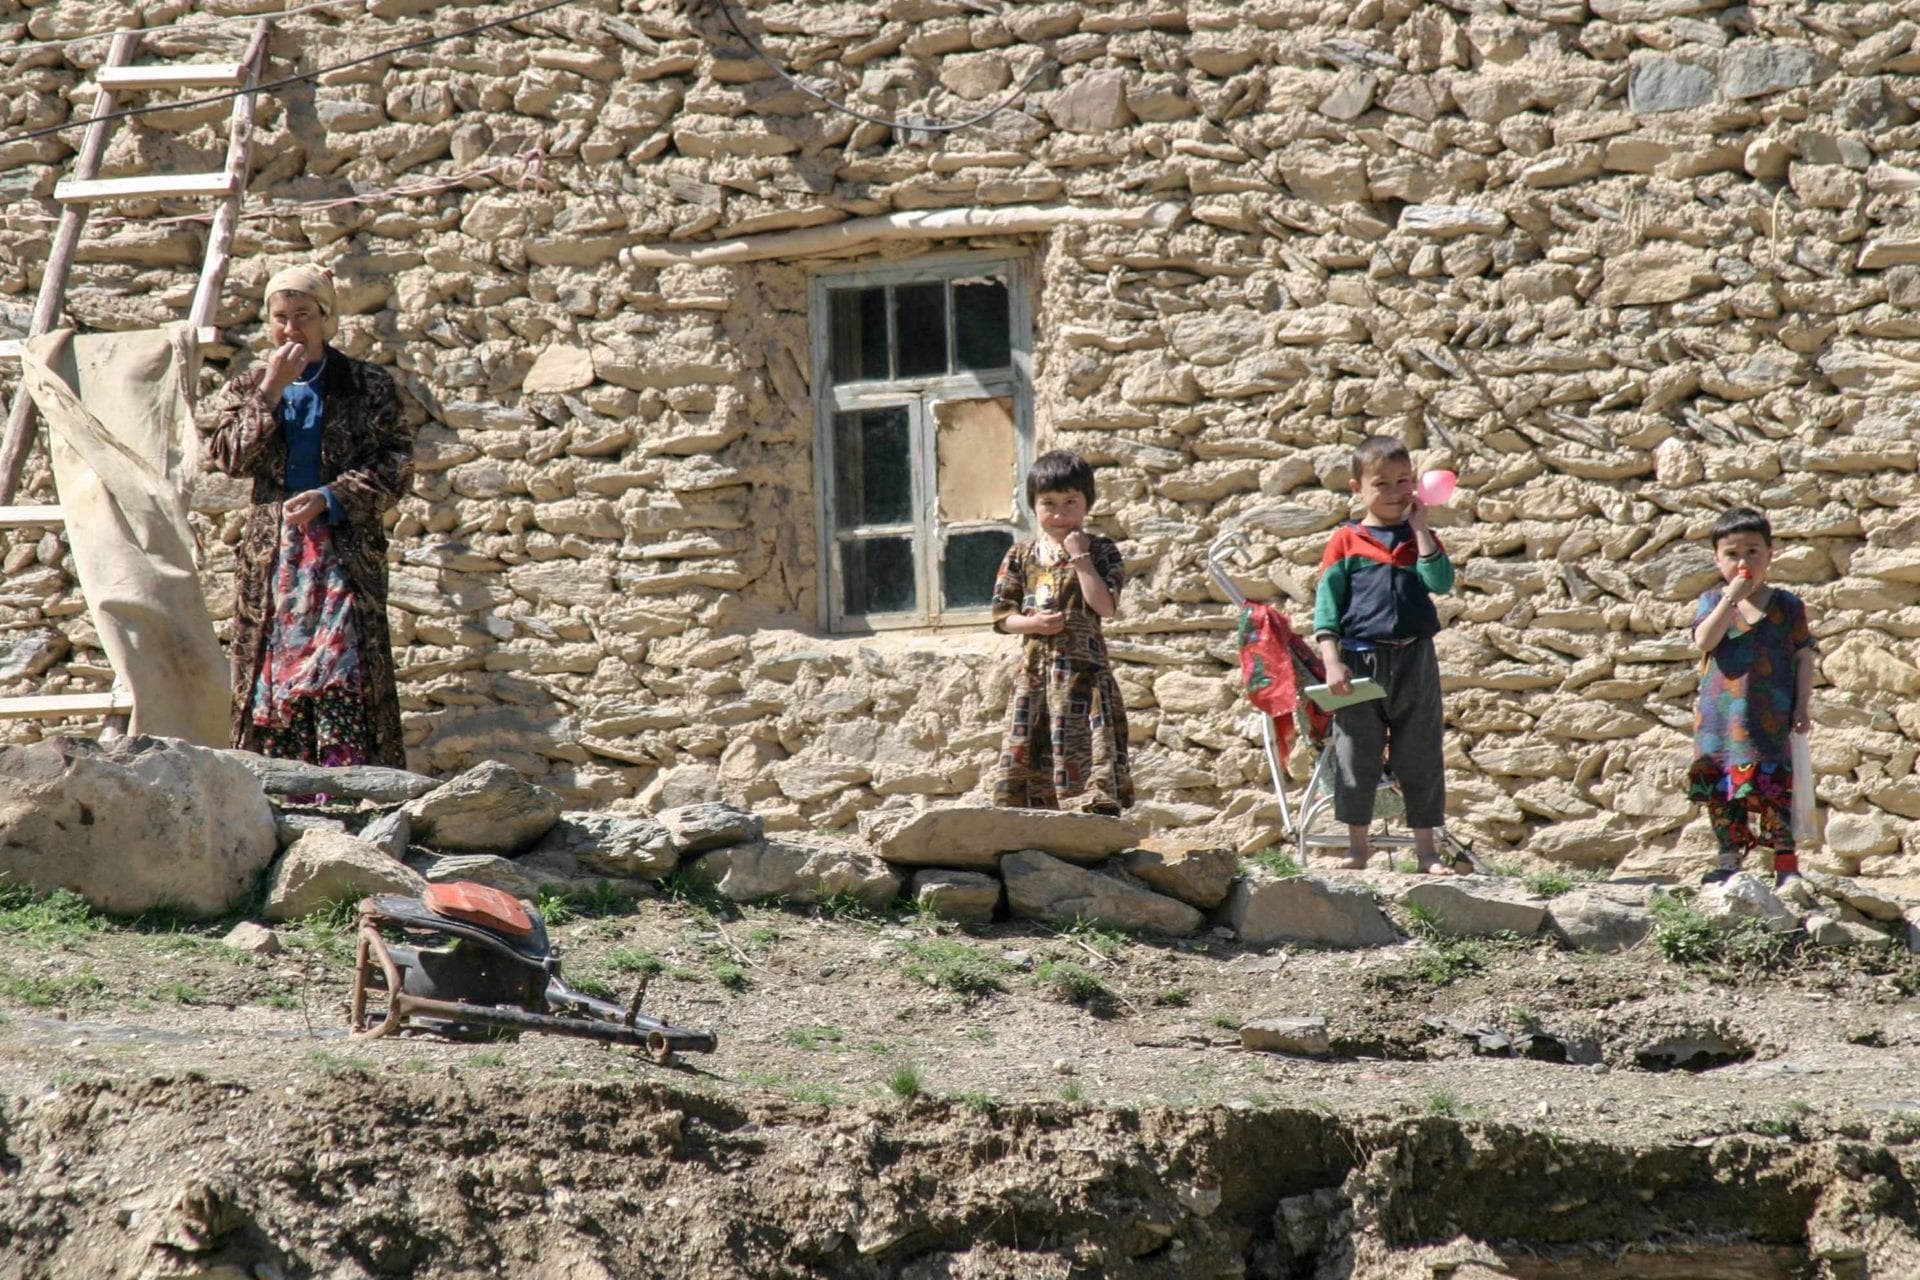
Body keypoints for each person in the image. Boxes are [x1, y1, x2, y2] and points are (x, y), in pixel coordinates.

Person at [198, 264, 415, 770]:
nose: (291, 328)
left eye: (303, 316)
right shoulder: (251, 385)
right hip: (276, 556)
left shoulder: (365, 385)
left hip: (342, 553)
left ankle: (345, 785)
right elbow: (229, 458)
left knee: (342, 662)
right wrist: (271, 389)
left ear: (326, 318)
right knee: (277, 665)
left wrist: (331, 496)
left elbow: (397, 464)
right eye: (280, 318)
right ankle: (287, 788)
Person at [1313, 435, 1456, 874]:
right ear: (1358, 489)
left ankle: (1426, 852)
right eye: (1383, 484)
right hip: (1359, 661)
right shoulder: (1346, 542)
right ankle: (1358, 849)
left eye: (1404, 481)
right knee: (1356, 753)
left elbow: (1441, 583)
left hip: (1415, 659)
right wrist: (1331, 659)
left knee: (1421, 750)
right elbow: (1327, 607)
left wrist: (1421, 529)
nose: (1396, 493)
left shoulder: (1420, 539)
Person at [990, 450, 1133, 814]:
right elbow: (1003, 616)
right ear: (1034, 507)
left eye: (1071, 502)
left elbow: (1104, 606)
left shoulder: (1101, 551)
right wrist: (1033, 624)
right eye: (1048, 503)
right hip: (1036, 677)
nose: (1059, 514)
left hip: (1084, 677)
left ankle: (1091, 825)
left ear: (1087, 503)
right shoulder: (1020, 556)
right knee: (1031, 754)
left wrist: (1079, 557)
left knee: (1087, 756)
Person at [1689, 507, 1815, 887]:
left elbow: (1803, 655)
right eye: (1732, 554)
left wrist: (1802, 704)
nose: (1743, 562)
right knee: (1723, 788)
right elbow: (1704, 641)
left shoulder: (1787, 605)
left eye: (1753, 551)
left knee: (1775, 787)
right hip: (1720, 721)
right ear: (1717, 559)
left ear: (1770, 554)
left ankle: (1785, 865)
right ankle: (1729, 860)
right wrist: (1731, 598)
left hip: (1770, 716)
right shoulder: (1712, 602)